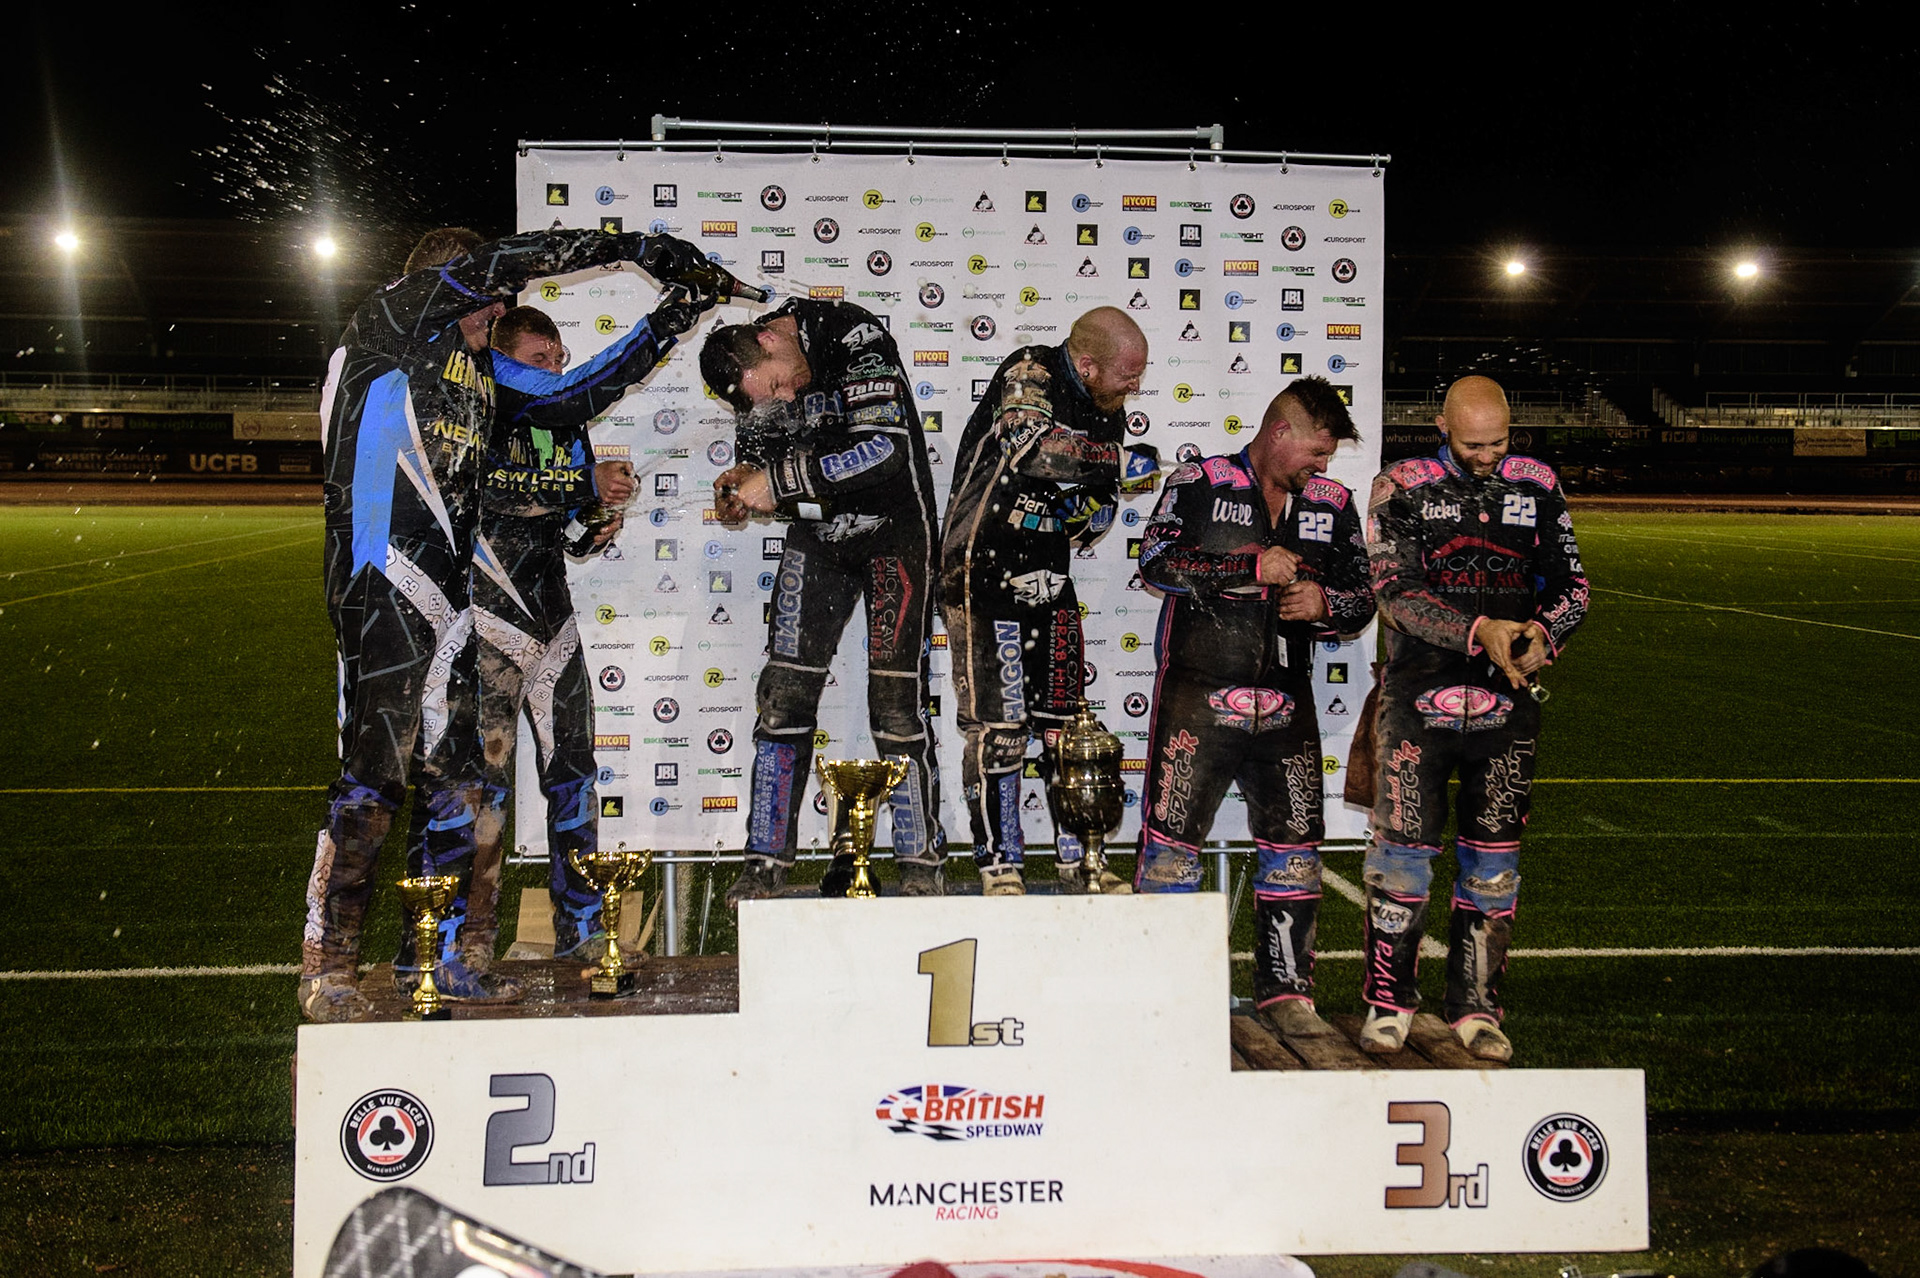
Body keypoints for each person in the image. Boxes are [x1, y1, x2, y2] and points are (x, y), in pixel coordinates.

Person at [299, 226, 713, 1024]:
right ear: (451, 287)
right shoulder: (391, 320)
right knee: (373, 777)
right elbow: (503, 264)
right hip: (378, 580)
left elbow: (579, 394)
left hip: (453, 602)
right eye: (489, 299)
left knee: (459, 781)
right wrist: (633, 247)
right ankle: (328, 965)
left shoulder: (483, 376)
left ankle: (444, 956)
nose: (501, 307)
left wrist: (673, 313)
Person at [1359, 374, 1589, 1061]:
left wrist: (1541, 634)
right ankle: (1387, 1002)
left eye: (1499, 441)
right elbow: (1395, 593)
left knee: (1493, 866)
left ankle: (1477, 1009)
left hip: (1508, 707)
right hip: (1416, 701)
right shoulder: (1399, 484)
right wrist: (1480, 629)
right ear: (1441, 425)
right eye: (1473, 443)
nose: (1488, 455)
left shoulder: (1538, 483)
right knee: (1401, 860)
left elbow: (1573, 585)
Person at [460, 303, 696, 970]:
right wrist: (579, 483)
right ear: (505, 361)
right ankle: (472, 938)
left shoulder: (567, 423)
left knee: (575, 776)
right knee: (487, 785)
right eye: (541, 362)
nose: (555, 374)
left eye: (561, 363)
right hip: (487, 618)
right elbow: (491, 489)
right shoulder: (483, 405)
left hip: (552, 618)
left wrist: (593, 523)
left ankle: (583, 927)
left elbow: (566, 525)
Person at [1134, 378, 1372, 1033]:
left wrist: (1328, 605)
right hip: (1197, 697)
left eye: (1329, 456)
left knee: (1295, 850)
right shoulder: (1200, 479)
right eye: (1316, 451)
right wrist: (1247, 567)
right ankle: (1164, 992)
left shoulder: (1334, 502)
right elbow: (1156, 561)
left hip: (1289, 706)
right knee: (1171, 850)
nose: (1323, 466)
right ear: (1279, 433)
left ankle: (1288, 995)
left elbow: (1363, 597)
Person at [698, 298, 946, 903]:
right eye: (768, 397)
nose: (783, 399)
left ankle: (921, 862)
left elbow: (883, 450)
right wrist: (742, 481)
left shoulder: (848, 332)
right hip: (819, 538)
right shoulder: (755, 376)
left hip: (895, 534)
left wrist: (777, 483)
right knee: (781, 695)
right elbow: (759, 451)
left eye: (782, 384)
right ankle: (764, 860)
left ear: (771, 336)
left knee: (896, 705)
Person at [940, 307, 1149, 896]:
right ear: (1086, 364)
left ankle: (1079, 858)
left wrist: (1077, 512)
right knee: (1000, 728)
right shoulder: (1030, 370)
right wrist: (1116, 466)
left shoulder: (1111, 413)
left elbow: (1099, 508)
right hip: (980, 571)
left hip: (1049, 575)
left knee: (1065, 725)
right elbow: (1033, 450)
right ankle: (999, 863)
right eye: (1127, 376)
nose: (1135, 389)